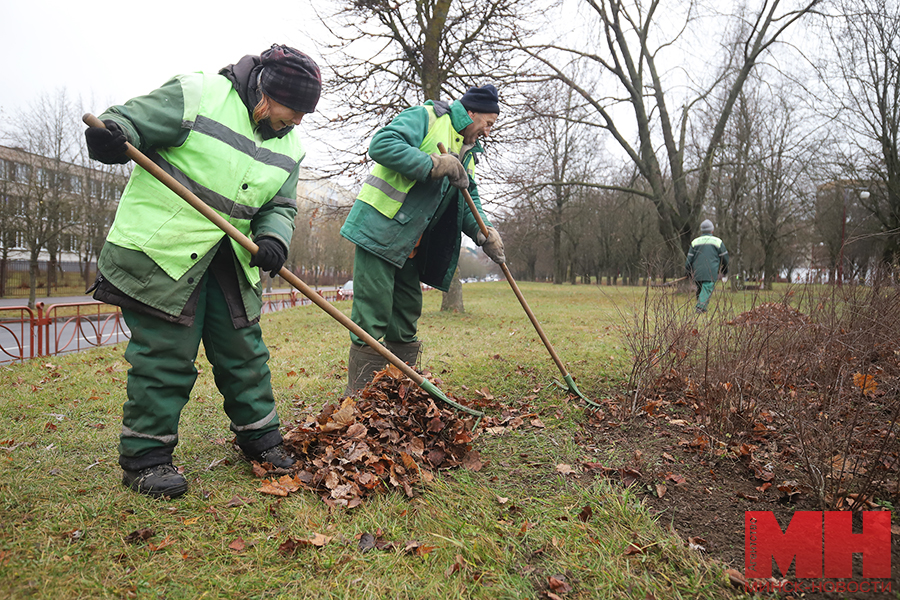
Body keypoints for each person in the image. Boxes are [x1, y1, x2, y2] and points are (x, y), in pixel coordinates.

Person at [83, 44, 322, 498]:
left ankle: (261, 440)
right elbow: (129, 120)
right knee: (165, 355)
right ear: (266, 97)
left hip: (228, 258)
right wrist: (113, 135)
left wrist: (273, 239)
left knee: (244, 352)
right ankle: (146, 459)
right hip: (163, 252)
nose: (297, 122)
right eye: (293, 111)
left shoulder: (291, 145)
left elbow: (280, 205)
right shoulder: (199, 93)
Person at [339, 84, 506, 394]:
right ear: (471, 113)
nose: (487, 131)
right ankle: (362, 399)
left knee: (405, 316)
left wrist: (486, 234)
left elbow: (468, 200)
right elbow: (382, 144)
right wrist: (433, 164)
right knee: (371, 315)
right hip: (380, 229)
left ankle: (398, 392)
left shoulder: (467, 151)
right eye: (488, 123)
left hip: (411, 245)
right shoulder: (427, 117)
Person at [685, 219, 729, 313]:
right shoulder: (717, 241)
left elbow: (689, 258)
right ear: (712, 230)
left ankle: (701, 307)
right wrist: (725, 270)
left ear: (702, 230)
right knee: (706, 289)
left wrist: (688, 271)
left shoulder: (695, 242)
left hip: (697, 272)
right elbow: (724, 258)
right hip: (710, 271)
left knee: (701, 289)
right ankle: (700, 307)